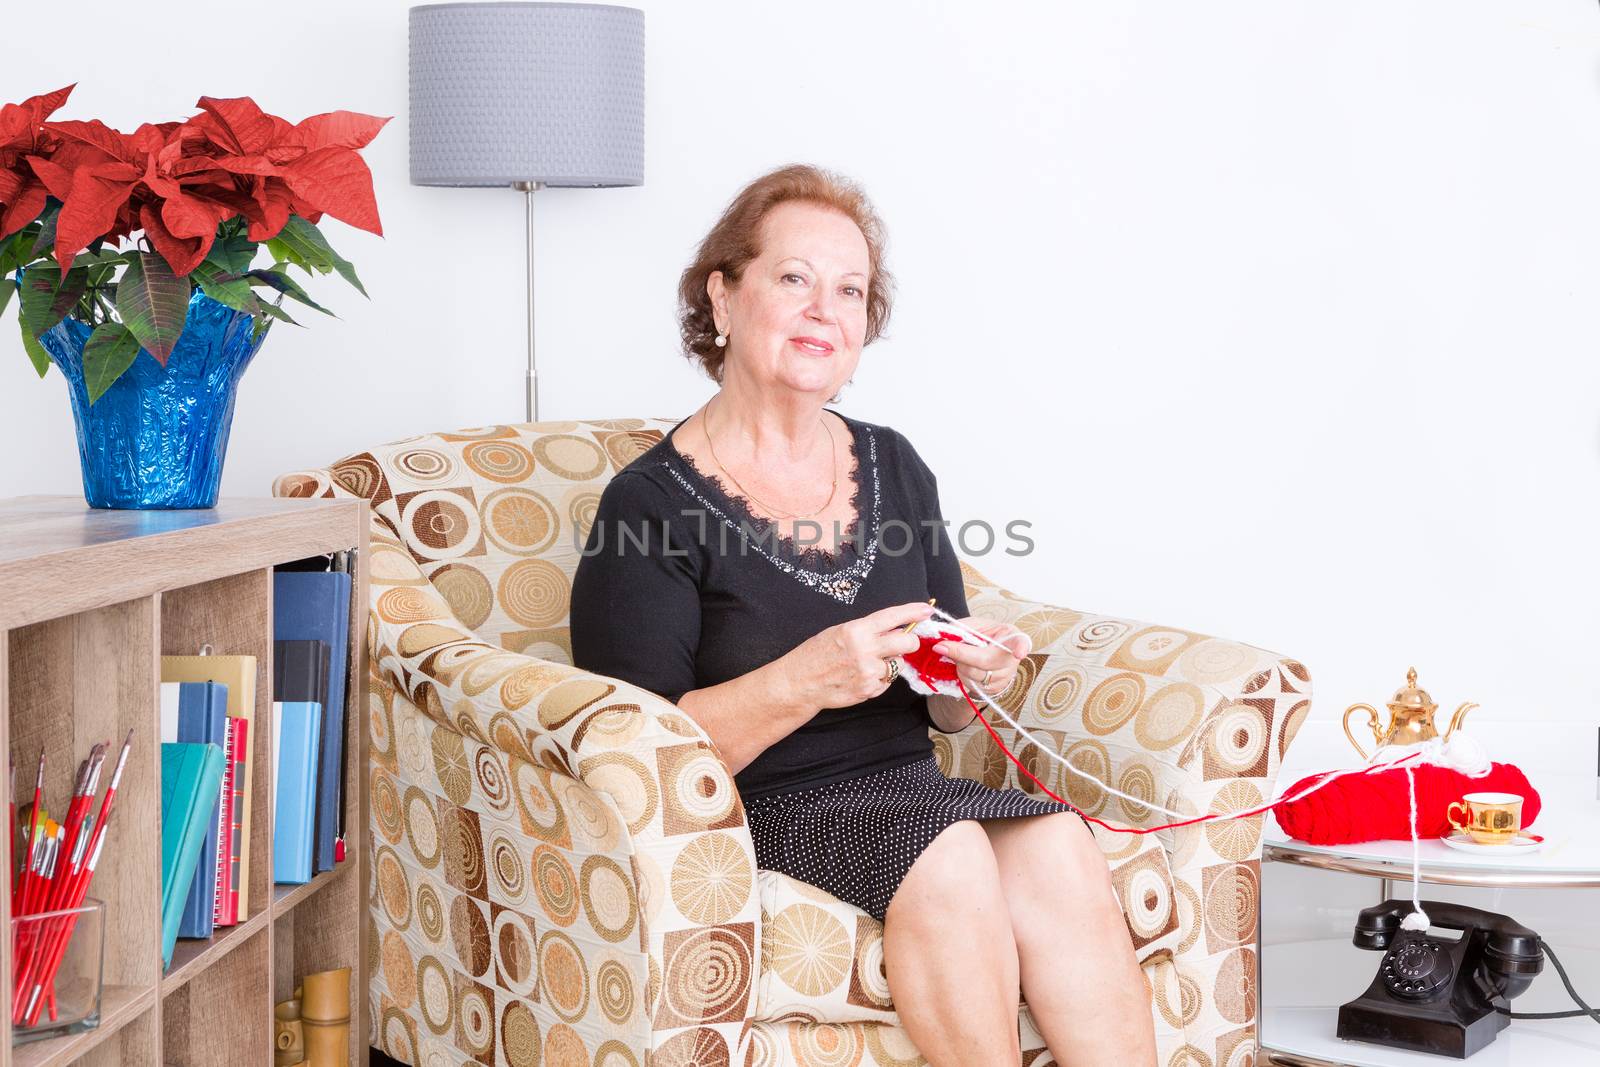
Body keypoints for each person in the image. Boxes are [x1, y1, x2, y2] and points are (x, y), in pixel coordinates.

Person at [569, 164, 1156, 1066]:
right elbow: (635, 754)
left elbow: (945, 700)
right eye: (794, 278)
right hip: (761, 805)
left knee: (1057, 841)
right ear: (722, 298)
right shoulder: (648, 504)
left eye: (851, 290)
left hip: (909, 785)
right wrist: (804, 679)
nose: (825, 309)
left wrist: (973, 675)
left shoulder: (895, 462)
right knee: (954, 854)